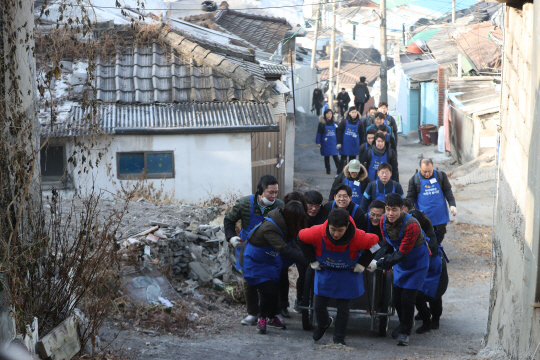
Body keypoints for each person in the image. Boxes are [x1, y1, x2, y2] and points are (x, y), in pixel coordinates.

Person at [298, 208, 379, 345]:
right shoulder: (317, 232)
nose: (336, 234)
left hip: (347, 273)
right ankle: (324, 323)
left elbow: (375, 246)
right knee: (318, 305)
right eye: (333, 229)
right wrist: (312, 260)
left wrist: (362, 263)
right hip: (326, 271)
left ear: (347, 226)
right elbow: (300, 238)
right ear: (328, 224)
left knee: (343, 307)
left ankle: (339, 338)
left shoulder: (359, 237)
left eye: (340, 230)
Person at [367, 194, 430, 346]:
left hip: (416, 263)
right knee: (396, 299)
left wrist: (381, 264)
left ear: (402, 209)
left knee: (407, 299)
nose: (390, 213)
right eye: (387, 209)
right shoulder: (383, 221)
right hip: (400, 262)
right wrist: (374, 258)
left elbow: (403, 253)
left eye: (394, 210)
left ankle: (405, 333)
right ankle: (405, 323)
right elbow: (387, 245)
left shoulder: (412, 225)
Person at [240, 201, 309, 334]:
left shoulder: (286, 225)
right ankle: (262, 318)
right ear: (290, 217)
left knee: (273, 289)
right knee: (268, 289)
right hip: (255, 259)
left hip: (269, 259)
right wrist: (307, 261)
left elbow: (293, 244)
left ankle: (271, 317)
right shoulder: (271, 227)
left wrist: (307, 256)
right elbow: (284, 249)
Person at [224, 174, 284, 326]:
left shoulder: (280, 206)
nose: (274, 196)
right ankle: (252, 313)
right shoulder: (244, 204)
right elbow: (229, 220)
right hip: (248, 249)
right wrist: (231, 238)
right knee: (249, 280)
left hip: (271, 251)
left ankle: (273, 313)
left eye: (276, 192)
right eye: (270, 192)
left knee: (273, 280)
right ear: (260, 191)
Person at [402, 199, 449, 334]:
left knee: (434, 296)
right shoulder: (412, 230)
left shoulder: (429, 236)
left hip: (433, 269)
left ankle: (434, 320)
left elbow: (424, 253)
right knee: (417, 295)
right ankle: (425, 315)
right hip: (421, 268)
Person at [406, 158, 457, 243]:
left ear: (433, 167)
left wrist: (452, 204)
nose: (427, 174)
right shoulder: (414, 180)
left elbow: (447, 191)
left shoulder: (441, 176)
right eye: (424, 171)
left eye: (429, 171)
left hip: (439, 215)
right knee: (427, 239)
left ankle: (437, 251)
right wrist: (410, 210)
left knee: (440, 236)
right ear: (420, 168)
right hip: (424, 217)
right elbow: (410, 197)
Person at [278, 192, 309, 319]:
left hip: (296, 248)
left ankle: (302, 302)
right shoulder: (279, 220)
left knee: (303, 275)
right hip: (283, 251)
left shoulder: (302, 217)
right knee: (281, 277)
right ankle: (282, 306)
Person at [294, 190, 325, 313]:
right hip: (302, 248)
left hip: (318, 249)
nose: (313, 209)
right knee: (302, 276)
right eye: (310, 205)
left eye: (316, 205)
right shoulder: (299, 215)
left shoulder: (323, 214)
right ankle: (300, 299)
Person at [316, 109, 341, 175]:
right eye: (327, 114)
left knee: (335, 156)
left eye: (330, 113)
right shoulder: (322, 124)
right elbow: (319, 134)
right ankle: (328, 169)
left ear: (332, 114)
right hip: (325, 143)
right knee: (326, 157)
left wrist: (339, 142)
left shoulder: (335, 123)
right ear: (325, 115)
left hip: (333, 143)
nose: (329, 115)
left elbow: (338, 133)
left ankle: (339, 170)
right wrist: (318, 142)